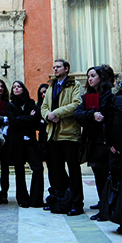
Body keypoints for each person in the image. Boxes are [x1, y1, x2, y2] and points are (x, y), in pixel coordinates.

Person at [41, 59, 83, 215]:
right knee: (56, 170)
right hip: (54, 134)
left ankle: (77, 203)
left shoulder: (75, 85)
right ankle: (60, 200)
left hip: (69, 134)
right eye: (54, 67)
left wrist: (57, 113)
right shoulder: (51, 86)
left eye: (58, 67)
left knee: (74, 170)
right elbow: (44, 106)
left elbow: (77, 103)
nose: (55, 69)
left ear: (66, 68)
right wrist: (48, 116)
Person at [74, 65, 114, 221]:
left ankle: (107, 208)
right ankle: (103, 204)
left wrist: (90, 117)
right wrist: (92, 115)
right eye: (88, 76)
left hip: (104, 140)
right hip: (92, 141)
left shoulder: (109, 95)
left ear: (101, 78)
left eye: (92, 75)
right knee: (99, 175)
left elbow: (105, 115)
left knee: (106, 176)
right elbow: (78, 114)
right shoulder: (87, 96)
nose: (89, 79)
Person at [6, 81, 44, 207]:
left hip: (31, 141)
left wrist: (20, 118)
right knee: (19, 171)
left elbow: (35, 120)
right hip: (17, 142)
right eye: (14, 87)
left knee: (38, 167)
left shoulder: (31, 102)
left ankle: (36, 199)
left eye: (19, 86)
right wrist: (27, 117)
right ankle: (23, 199)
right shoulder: (10, 105)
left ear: (23, 89)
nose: (16, 89)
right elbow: (13, 122)